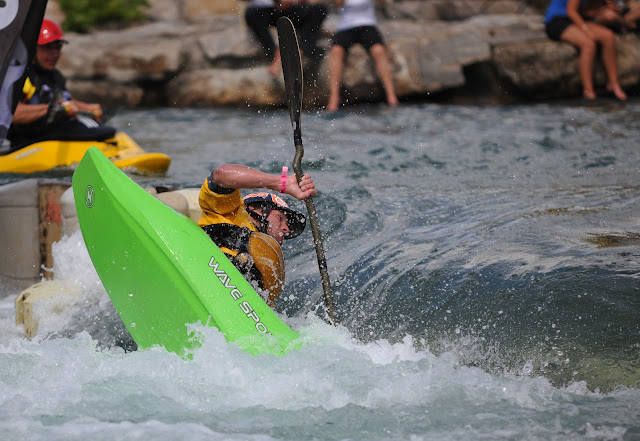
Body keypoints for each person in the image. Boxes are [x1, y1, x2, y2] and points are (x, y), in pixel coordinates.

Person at [197, 163, 317, 307]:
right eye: (280, 218)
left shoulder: (268, 258)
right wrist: (282, 183)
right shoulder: (231, 213)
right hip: (202, 279)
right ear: (254, 211)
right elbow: (221, 174)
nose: (286, 229)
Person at [7, 19, 115, 150]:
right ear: (32, 47)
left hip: (51, 135)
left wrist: (87, 107)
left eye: (58, 47)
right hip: (27, 143)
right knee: (99, 131)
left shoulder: (54, 75)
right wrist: (53, 109)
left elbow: (63, 101)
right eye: (48, 48)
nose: (54, 54)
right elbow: (12, 113)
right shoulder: (20, 77)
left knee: (104, 130)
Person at [544, 0, 627, 101]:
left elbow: (587, 12)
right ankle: (588, 91)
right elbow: (571, 11)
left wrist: (607, 8)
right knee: (588, 44)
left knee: (608, 36)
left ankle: (613, 83)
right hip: (557, 21)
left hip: (575, 19)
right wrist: (585, 29)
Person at [326, 0, 399, 111]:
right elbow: (338, 3)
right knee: (336, 51)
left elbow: (383, 2)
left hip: (367, 25)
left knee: (379, 51)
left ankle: (391, 96)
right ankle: (334, 97)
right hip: (346, 26)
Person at [244, 0, 328, 76]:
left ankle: (300, 50)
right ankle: (276, 53)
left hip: (293, 9)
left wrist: (294, 1)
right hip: (267, 10)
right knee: (252, 12)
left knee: (320, 10)